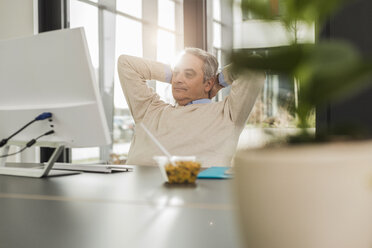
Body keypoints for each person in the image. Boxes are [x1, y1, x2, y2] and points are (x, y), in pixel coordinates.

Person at [117, 48, 265, 167]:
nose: (178, 79)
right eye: (176, 73)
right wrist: (172, 75)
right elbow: (126, 63)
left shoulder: (229, 115)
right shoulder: (150, 110)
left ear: (208, 83)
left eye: (189, 74)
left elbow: (254, 64)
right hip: (137, 196)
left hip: (198, 195)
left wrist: (218, 81)